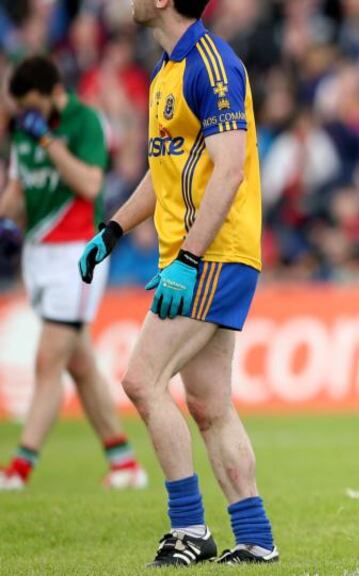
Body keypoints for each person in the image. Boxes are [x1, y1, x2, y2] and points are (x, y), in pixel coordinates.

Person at [77, 0, 277, 566]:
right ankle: (256, 538)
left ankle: (190, 528)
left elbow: (231, 168)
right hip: (197, 253)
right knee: (210, 404)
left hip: (214, 253)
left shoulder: (212, 63)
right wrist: (114, 228)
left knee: (142, 381)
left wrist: (187, 258)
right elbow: (164, 169)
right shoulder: (168, 67)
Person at [0, 56, 147, 492]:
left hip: (75, 256)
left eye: (32, 105)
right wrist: (6, 220)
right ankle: (123, 463)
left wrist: (48, 142)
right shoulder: (24, 128)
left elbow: (90, 184)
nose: (27, 114)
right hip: (38, 253)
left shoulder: (85, 122)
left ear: (51, 94)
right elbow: (18, 186)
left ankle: (20, 469)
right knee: (80, 363)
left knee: (49, 361)